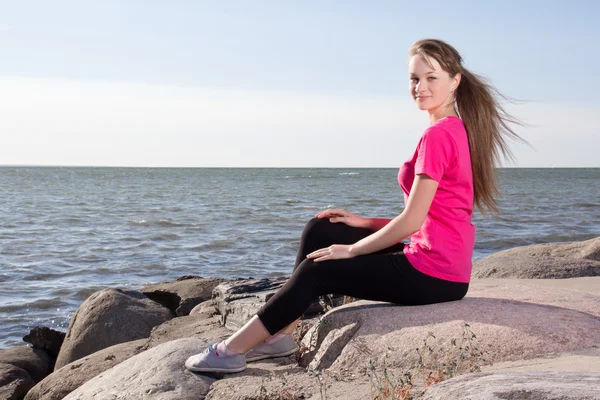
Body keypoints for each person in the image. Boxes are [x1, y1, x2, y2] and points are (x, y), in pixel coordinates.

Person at [184, 38, 523, 373]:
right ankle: (281, 336)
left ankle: (229, 351)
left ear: (455, 80)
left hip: (435, 274)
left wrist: (354, 250)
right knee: (322, 229)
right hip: (438, 263)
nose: (420, 87)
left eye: (431, 78)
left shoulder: (438, 136)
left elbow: (413, 221)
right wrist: (361, 223)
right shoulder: (451, 129)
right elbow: (429, 218)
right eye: (414, 78)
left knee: (319, 270)